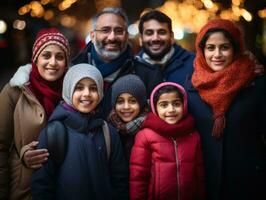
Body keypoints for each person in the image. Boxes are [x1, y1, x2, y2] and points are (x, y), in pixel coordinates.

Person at [185, 19, 266, 200]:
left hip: (248, 182)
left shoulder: (256, 83)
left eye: (224, 47)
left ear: (236, 49)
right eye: (210, 48)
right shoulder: (191, 87)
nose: (217, 54)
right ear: (202, 50)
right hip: (204, 181)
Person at [31, 63, 129, 200]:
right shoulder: (52, 133)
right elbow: (42, 186)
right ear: (68, 90)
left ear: (100, 93)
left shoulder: (109, 133)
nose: (87, 94)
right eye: (79, 87)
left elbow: (121, 181)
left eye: (93, 88)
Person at [0, 28, 70, 200]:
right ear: (35, 59)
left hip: (65, 187)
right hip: (26, 190)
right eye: (46, 55)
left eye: (59, 57)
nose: (53, 62)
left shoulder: (74, 93)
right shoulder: (15, 91)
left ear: (66, 62)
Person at [71, 7, 163, 118]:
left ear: (127, 36)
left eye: (119, 31)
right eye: (105, 30)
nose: (112, 37)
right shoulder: (73, 71)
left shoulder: (148, 75)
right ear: (93, 36)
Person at [130, 82, 205, 200]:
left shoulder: (193, 135)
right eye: (164, 105)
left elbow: (199, 174)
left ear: (184, 105)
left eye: (176, 104)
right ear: (155, 108)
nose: (171, 110)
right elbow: (138, 178)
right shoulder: (145, 136)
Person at [136, 10, 195, 85]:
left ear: (171, 36)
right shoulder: (132, 68)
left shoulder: (194, 64)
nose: (155, 38)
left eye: (161, 32)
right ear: (140, 39)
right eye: (149, 33)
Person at [108, 74, 148, 163]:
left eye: (132, 101)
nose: (126, 107)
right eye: (120, 101)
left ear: (141, 103)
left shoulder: (151, 130)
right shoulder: (109, 131)